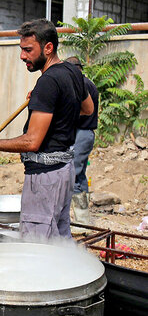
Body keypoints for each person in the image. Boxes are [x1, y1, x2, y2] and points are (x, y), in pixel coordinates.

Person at [0, 19, 94, 239]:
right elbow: (88, 109)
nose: (22, 56)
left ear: (48, 47)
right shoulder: (72, 71)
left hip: (45, 177)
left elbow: (32, 142)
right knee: (59, 234)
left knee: (37, 242)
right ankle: (72, 271)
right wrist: (51, 105)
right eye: (21, 49)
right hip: (64, 172)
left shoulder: (48, 82)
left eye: (28, 50)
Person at [66, 56, 99, 227]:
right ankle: (83, 219)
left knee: (73, 174)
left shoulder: (81, 85)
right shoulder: (88, 83)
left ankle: (80, 221)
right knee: (80, 175)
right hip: (86, 134)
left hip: (81, 133)